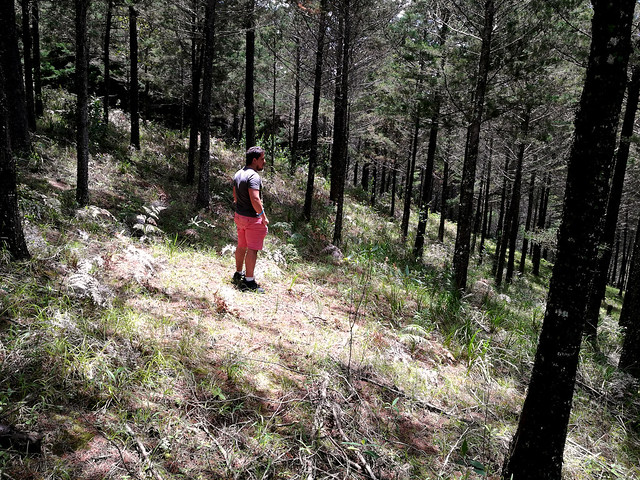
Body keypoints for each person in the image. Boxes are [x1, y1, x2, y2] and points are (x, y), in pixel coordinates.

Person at [232, 146, 269, 293]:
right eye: (262, 159)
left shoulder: (238, 173)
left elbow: (235, 196)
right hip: (252, 219)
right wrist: (263, 216)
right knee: (252, 250)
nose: (264, 162)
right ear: (254, 160)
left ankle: (238, 273)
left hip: (239, 216)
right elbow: (255, 198)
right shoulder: (254, 177)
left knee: (242, 245)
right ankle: (249, 282)